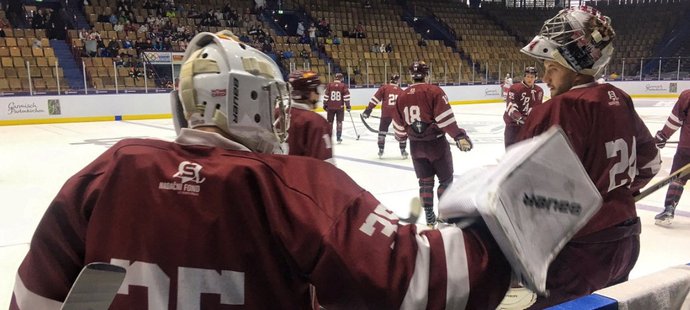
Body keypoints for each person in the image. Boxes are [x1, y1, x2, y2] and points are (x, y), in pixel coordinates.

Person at [10, 30, 582, 310]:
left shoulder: (105, 173)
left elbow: (34, 300)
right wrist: (510, 227)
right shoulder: (291, 186)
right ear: (251, 101)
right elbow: (422, 279)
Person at [517, 6, 661, 307]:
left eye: (551, 67)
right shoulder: (618, 98)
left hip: (577, 251)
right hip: (625, 240)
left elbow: (525, 194)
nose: (545, 77)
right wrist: (613, 196)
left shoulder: (557, 109)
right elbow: (650, 164)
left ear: (573, 63)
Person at [392, 61, 473, 227]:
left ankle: (429, 216)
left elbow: (399, 128)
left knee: (425, 182)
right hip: (436, 145)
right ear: (427, 74)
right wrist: (459, 136)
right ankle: (443, 215)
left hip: (415, 147)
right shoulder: (434, 91)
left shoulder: (401, 96)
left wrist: (402, 138)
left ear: (411, 76)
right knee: (446, 180)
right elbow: (445, 120)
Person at [652, 89, 690, 225]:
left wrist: (663, 135)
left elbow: (675, 119)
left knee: (678, 179)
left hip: (687, 148)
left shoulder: (688, 95)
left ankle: (668, 210)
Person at [286, 70, 334, 163]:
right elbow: (325, 166)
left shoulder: (276, 114)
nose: (320, 94)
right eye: (318, 89)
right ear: (310, 93)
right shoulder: (316, 122)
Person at [362, 74, 408, 159]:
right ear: (398, 81)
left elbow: (375, 99)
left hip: (386, 114)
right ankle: (403, 150)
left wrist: (368, 110)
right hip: (397, 115)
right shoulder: (401, 91)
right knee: (401, 132)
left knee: (382, 131)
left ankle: (381, 149)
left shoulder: (384, 88)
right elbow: (404, 106)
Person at [503, 66, 544, 148]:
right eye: (528, 76)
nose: (529, 79)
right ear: (524, 77)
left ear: (536, 78)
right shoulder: (515, 88)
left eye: (532, 77)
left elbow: (536, 109)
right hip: (513, 125)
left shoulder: (539, 91)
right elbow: (511, 107)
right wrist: (521, 119)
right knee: (511, 151)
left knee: (526, 152)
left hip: (527, 127)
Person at [322, 72, 351, 143]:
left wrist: (325, 104)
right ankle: (338, 138)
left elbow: (326, 96)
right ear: (341, 78)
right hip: (340, 107)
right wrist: (348, 106)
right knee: (339, 122)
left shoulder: (329, 85)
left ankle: (329, 137)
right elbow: (346, 97)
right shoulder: (343, 85)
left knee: (330, 122)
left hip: (330, 107)